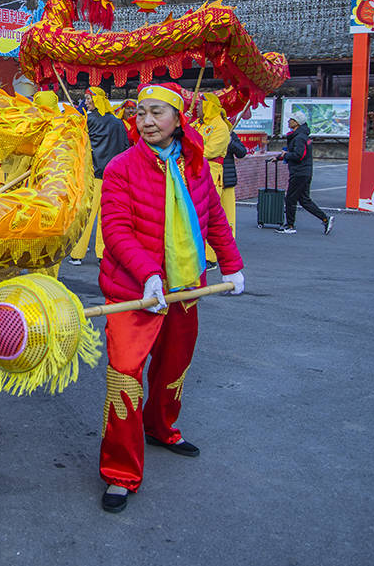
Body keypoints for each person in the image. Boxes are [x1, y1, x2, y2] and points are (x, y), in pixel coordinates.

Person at [96, 83, 244, 514]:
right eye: (141, 112)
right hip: (133, 291)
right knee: (124, 376)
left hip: (187, 285)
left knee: (173, 366)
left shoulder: (196, 164)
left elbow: (214, 218)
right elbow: (116, 230)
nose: (146, 121)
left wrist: (232, 264)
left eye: (156, 112)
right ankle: (120, 472)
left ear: (178, 119)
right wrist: (148, 276)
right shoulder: (122, 167)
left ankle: (161, 428)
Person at [68, 87, 129, 266]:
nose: (86, 102)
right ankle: (103, 255)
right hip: (113, 177)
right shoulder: (118, 123)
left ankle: (77, 254)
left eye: (88, 99)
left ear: (97, 100)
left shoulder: (89, 120)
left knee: (87, 216)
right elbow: (125, 148)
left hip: (94, 176)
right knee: (106, 218)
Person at [274, 110, 333, 235]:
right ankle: (325, 218)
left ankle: (290, 225)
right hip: (304, 172)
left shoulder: (299, 137)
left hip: (299, 172)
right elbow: (296, 153)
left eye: (291, 120)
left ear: (297, 123)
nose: (288, 121)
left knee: (290, 198)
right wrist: (280, 157)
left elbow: (298, 155)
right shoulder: (301, 135)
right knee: (304, 200)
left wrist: (286, 155)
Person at [193, 93, 231, 269]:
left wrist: (190, 150)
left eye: (200, 105)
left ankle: (210, 257)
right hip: (194, 172)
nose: (197, 108)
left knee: (209, 215)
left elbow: (210, 151)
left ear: (208, 106)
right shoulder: (199, 124)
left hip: (211, 172)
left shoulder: (220, 127)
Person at [220, 128, 248, 236]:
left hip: (227, 179)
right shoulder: (203, 129)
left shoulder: (229, 132)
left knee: (227, 215)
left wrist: (230, 142)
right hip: (208, 179)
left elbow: (242, 152)